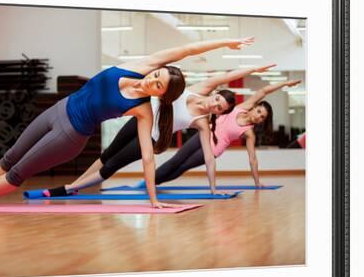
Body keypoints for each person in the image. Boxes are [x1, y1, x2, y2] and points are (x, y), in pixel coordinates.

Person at [42, 63, 277, 196]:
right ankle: (78, 183)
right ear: (215, 94)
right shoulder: (199, 88)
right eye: (217, 100)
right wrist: (254, 69)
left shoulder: (202, 123)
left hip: (152, 138)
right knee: (106, 155)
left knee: (113, 166)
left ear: (219, 113)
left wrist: (213, 188)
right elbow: (229, 74)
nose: (214, 105)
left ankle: (68, 188)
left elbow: (209, 157)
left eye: (219, 108)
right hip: (139, 119)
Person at [143, 79, 302, 188]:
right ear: (254, 107)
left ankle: (154, 183)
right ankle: (147, 182)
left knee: (182, 167)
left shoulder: (249, 133)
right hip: (203, 136)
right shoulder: (243, 106)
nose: (258, 116)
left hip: (214, 149)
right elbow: (264, 90)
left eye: (262, 117)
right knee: (175, 160)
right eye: (259, 111)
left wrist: (257, 182)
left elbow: (252, 159)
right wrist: (286, 83)